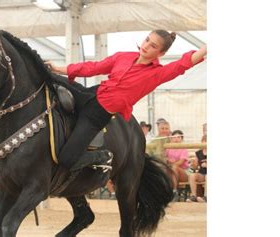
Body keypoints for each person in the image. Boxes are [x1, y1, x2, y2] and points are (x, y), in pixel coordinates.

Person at [45, 29, 206, 171]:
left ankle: (101, 157)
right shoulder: (123, 56)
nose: (146, 45)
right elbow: (94, 67)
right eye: (147, 40)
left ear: (161, 54)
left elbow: (184, 63)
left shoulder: (157, 74)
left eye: (154, 46)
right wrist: (59, 69)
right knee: (49, 78)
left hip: (96, 116)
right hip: (88, 95)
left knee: (66, 160)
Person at [165, 130, 189, 201]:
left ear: (182, 139)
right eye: (174, 137)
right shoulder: (168, 148)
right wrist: (167, 161)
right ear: (171, 138)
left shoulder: (184, 148)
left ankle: (174, 192)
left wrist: (171, 163)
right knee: (163, 168)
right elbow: (164, 158)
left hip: (183, 172)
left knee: (174, 167)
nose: (176, 139)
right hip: (171, 171)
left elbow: (181, 162)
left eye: (178, 137)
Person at [187, 135, 207, 202]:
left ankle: (206, 196)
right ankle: (193, 196)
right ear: (202, 142)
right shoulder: (198, 152)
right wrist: (193, 164)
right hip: (202, 173)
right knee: (192, 175)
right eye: (204, 141)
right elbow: (195, 166)